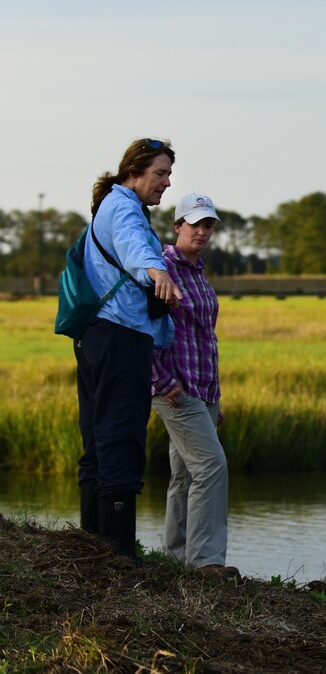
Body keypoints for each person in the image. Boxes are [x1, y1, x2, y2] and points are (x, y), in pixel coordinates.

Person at [76, 137, 182, 563]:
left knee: (99, 436)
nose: (166, 182)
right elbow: (135, 248)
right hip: (120, 335)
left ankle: (91, 545)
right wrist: (158, 270)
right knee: (121, 437)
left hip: (97, 335)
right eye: (159, 173)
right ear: (133, 172)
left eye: (169, 174)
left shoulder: (115, 205)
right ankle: (120, 553)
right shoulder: (123, 208)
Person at [151, 193, 236, 576]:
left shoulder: (198, 271)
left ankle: (176, 559)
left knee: (185, 474)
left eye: (208, 225)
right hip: (175, 389)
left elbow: (205, 337)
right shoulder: (161, 268)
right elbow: (146, 325)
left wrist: (214, 398)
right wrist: (161, 380)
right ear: (177, 226)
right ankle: (205, 562)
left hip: (203, 390)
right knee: (212, 467)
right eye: (195, 224)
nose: (202, 231)